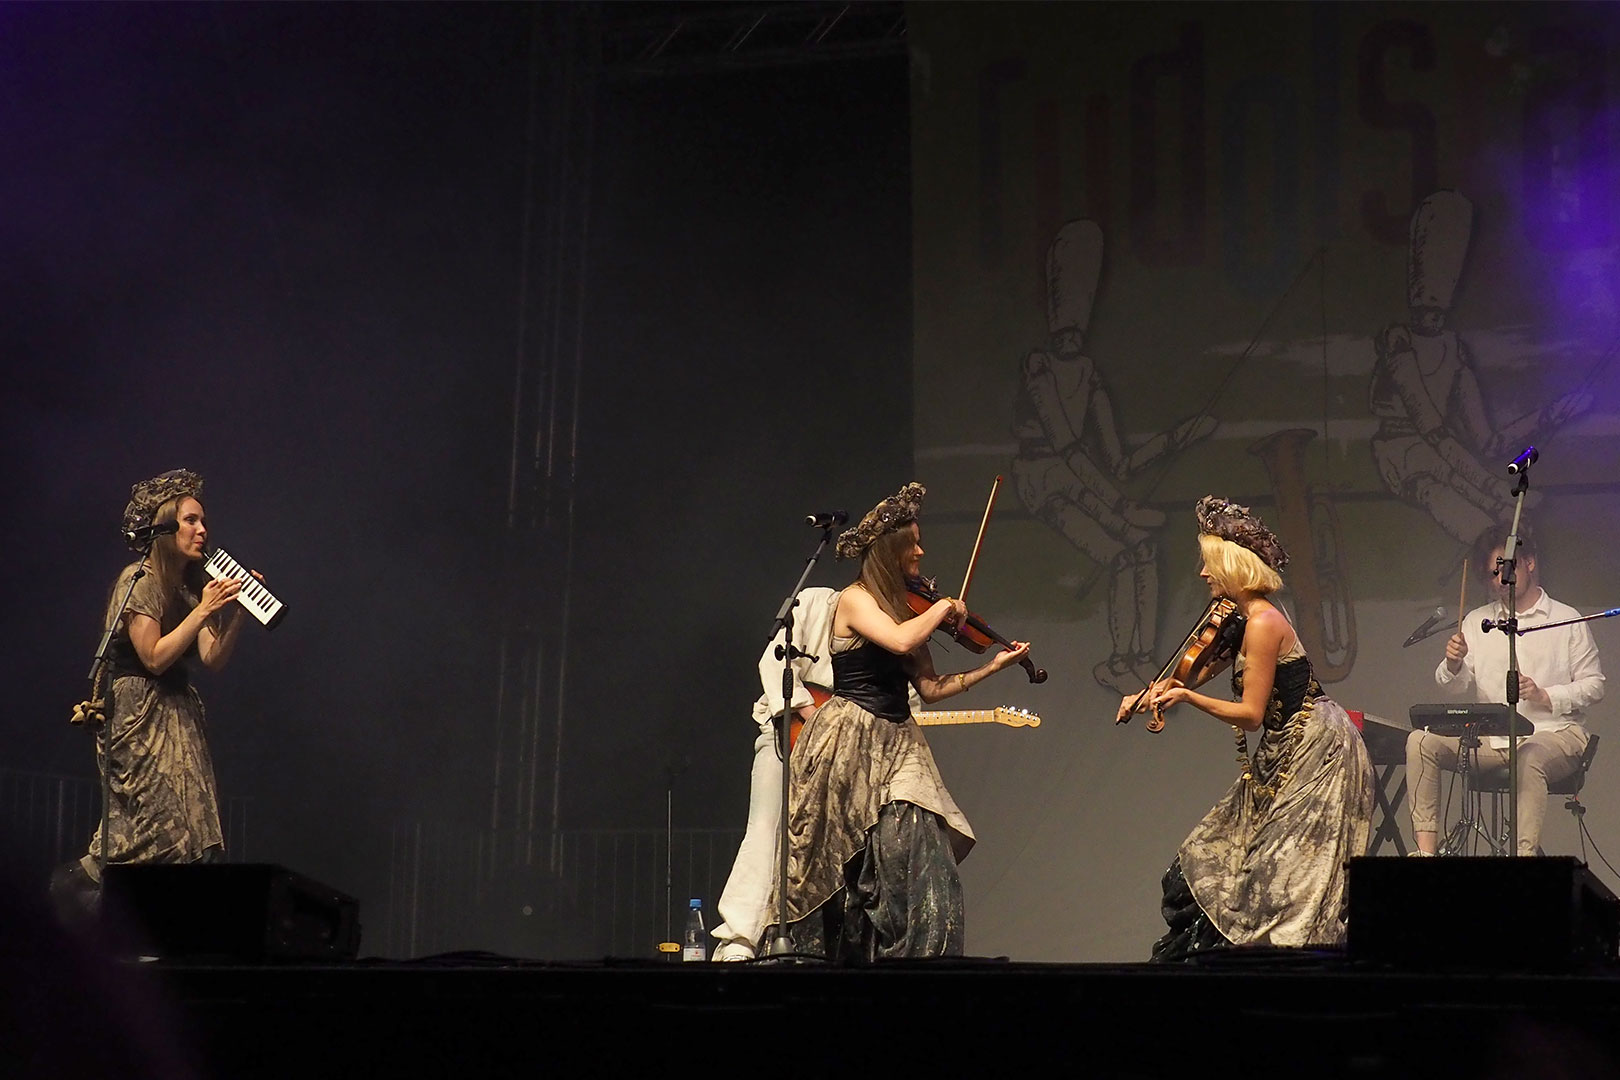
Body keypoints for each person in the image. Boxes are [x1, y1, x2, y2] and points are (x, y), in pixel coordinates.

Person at [773, 482, 1031, 961]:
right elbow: (894, 641)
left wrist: (991, 667)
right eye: (912, 542)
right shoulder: (855, 600)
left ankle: (920, 959)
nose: (921, 550)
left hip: (899, 743)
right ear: (890, 551)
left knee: (919, 854)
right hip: (849, 740)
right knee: (838, 864)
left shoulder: (905, 608)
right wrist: (940, 608)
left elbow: (930, 690)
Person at [1119, 496, 1374, 961]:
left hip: (1317, 748)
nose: (1202, 573)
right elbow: (1191, 671)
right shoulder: (1238, 620)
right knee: (1217, 857)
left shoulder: (1262, 622)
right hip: (1285, 750)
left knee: (1285, 878)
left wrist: (1188, 698)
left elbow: (1251, 714)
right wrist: (1147, 695)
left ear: (1232, 564)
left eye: (1209, 563)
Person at [51, 469, 255, 915]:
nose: (202, 530)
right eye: (190, 520)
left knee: (186, 824)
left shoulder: (190, 586)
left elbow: (213, 659)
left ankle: (148, 919)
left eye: (203, 522)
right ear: (165, 525)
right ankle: (85, 890)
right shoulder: (139, 579)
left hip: (177, 709)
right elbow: (155, 657)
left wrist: (235, 613)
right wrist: (203, 610)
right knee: (154, 822)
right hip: (139, 708)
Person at [1407, 522, 1604, 856]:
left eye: (1505, 569)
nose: (1499, 581)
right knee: (1420, 741)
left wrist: (1547, 696)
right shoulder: (1477, 621)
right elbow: (1454, 687)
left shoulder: (1566, 618)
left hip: (1555, 733)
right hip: (1496, 739)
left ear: (1529, 562)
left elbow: (1595, 685)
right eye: (1491, 574)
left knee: (1530, 756)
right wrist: (1453, 663)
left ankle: (1523, 860)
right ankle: (1426, 855)